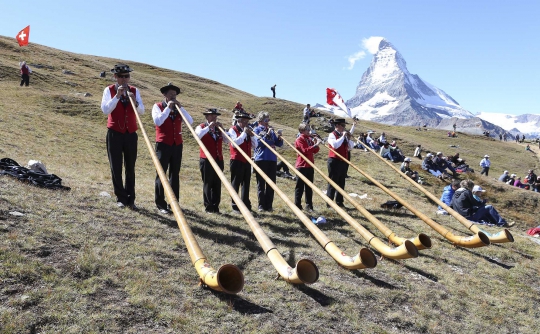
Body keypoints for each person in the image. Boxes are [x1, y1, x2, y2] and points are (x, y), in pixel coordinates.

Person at [101, 64, 145, 210]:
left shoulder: (134, 90)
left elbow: (142, 111)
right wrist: (117, 96)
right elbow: (105, 110)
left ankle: (131, 199)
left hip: (131, 133)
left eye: (126, 76)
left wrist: (136, 101)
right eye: (121, 76)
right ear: (115, 77)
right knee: (116, 166)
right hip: (114, 133)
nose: (124, 79)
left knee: (130, 167)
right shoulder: (109, 90)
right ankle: (120, 197)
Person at [152, 83, 193, 214]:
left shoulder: (178, 108)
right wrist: (168, 109)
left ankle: (174, 204)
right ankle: (161, 204)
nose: (173, 97)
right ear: (164, 95)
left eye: (175, 95)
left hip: (177, 145)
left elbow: (190, 121)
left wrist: (182, 108)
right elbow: (158, 121)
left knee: (174, 174)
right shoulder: (157, 106)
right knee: (161, 174)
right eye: (171, 95)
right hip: (163, 144)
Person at [195, 108, 227, 214]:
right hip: (206, 160)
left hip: (218, 159)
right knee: (208, 183)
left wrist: (222, 129)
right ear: (207, 117)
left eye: (215, 116)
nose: (214, 118)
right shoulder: (201, 127)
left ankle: (215, 206)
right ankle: (208, 207)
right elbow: (198, 136)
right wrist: (209, 127)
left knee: (217, 184)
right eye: (211, 116)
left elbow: (227, 141)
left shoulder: (218, 129)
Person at [253, 111, 283, 211]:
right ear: (260, 120)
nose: (268, 122)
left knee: (271, 183)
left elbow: (279, 144)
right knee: (261, 183)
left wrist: (279, 137)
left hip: (272, 159)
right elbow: (259, 143)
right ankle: (261, 205)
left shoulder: (270, 130)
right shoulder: (257, 129)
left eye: (268, 120)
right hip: (261, 159)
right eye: (266, 120)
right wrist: (267, 134)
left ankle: (269, 205)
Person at [228, 112, 257, 212]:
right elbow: (235, 144)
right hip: (236, 160)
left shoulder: (247, 132)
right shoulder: (233, 130)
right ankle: (235, 205)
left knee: (246, 183)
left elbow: (255, 145)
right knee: (236, 183)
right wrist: (244, 133)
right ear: (238, 121)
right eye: (244, 121)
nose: (246, 124)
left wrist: (252, 136)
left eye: (247, 122)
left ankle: (246, 204)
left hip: (247, 160)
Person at [326, 118, 354, 207]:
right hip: (334, 161)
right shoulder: (332, 135)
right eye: (343, 125)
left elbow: (351, 147)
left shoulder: (344, 136)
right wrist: (342, 137)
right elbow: (335, 145)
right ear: (337, 125)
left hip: (343, 162)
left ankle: (339, 202)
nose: (344, 127)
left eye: (344, 125)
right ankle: (329, 203)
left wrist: (348, 138)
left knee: (341, 182)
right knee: (333, 182)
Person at [294, 123, 321, 211]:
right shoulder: (300, 139)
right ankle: (297, 205)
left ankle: (309, 205)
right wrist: (315, 145)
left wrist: (316, 143)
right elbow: (305, 151)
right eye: (307, 130)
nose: (309, 131)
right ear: (302, 131)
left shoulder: (309, 139)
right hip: (301, 165)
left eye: (309, 129)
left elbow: (315, 151)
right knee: (300, 187)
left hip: (310, 165)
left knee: (309, 187)